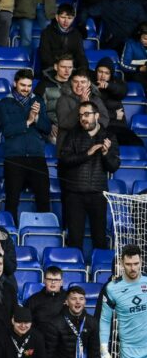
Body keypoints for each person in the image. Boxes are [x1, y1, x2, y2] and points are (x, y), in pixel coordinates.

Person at [58, 100, 120, 250]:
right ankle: (74, 272)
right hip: (74, 194)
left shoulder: (109, 136)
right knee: (74, 239)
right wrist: (88, 153)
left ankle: (101, 273)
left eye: (87, 114)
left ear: (97, 115)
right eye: (80, 115)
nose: (83, 118)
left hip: (98, 194)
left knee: (99, 239)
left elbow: (114, 167)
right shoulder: (72, 135)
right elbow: (64, 160)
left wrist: (105, 154)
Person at [0, 69, 51, 222]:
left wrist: (37, 118)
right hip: (14, 158)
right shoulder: (5, 103)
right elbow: (7, 130)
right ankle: (11, 234)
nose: (26, 89)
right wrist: (28, 121)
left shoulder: (38, 101)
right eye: (23, 85)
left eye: (29, 86)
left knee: (43, 200)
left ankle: (43, 232)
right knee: (12, 200)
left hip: (37, 157)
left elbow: (46, 128)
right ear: (15, 83)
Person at [45, 285, 102, 358]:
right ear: (66, 301)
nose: (77, 302)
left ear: (85, 302)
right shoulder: (55, 323)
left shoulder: (92, 323)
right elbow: (48, 356)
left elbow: (94, 354)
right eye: (73, 298)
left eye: (81, 298)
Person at [38, 4, 87, 71]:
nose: (66, 21)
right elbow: (45, 57)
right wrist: (59, 68)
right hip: (52, 70)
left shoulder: (77, 34)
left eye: (69, 18)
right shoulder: (46, 33)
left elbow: (80, 56)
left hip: (71, 70)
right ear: (57, 17)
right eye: (63, 17)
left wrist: (82, 70)